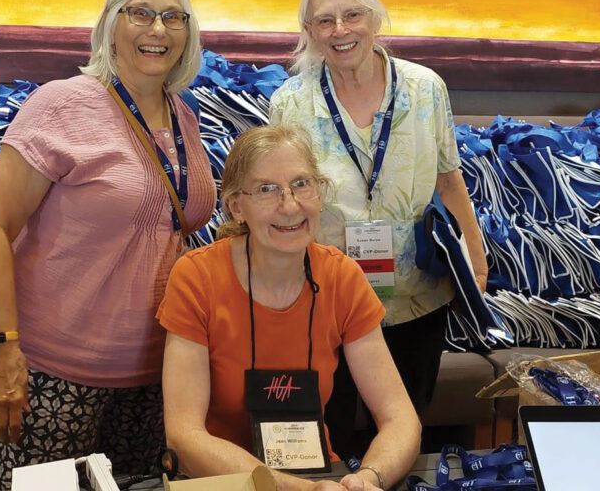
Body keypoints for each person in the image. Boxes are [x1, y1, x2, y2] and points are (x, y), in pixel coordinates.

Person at [0, 0, 216, 490]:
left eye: (174, 17)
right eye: (141, 13)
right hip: (53, 377)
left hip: (158, 378)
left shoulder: (185, 116)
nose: (158, 29)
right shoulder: (60, 105)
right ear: (111, 22)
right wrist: (1, 350)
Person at [269, 0, 488, 457]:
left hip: (417, 297)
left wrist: (475, 251)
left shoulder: (426, 88)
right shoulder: (290, 105)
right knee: (333, 437)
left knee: (404, 432)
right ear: (308, 32)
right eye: (325, 21)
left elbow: (449, 177)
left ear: (375, 18)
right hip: (328, 302)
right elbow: (282, 203)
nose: (340, 30)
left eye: (352, 15)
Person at [158, 125, 420, 491]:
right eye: (267, 189)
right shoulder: (196, 277)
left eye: (301, 184)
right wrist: (298, 489)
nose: (290, 205)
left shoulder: (342, 276)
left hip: (321, 477)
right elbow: (184, 437)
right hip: (223, 482)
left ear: (320, 192)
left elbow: (400, 418)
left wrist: (368, 478)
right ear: (236, 206)